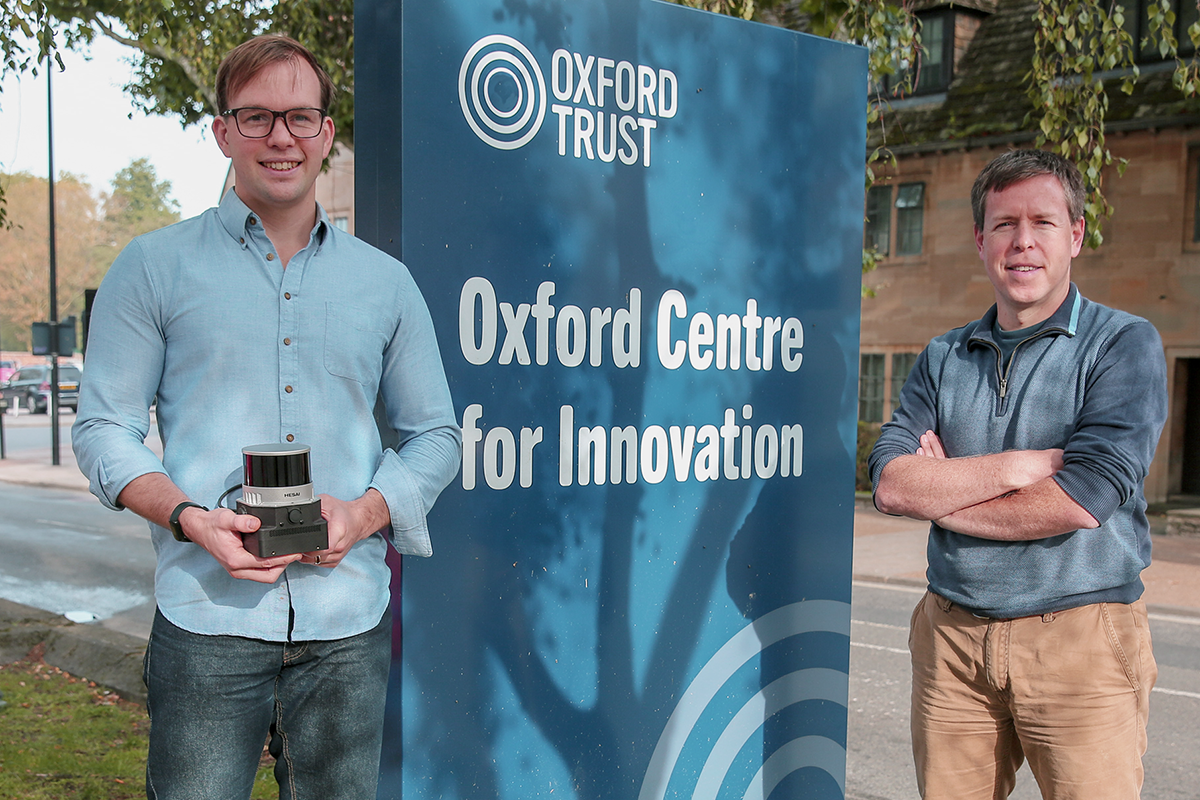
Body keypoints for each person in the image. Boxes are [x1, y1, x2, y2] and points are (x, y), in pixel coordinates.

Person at [72, 35, 461, 799]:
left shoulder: (387, 286)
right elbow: (101, 429)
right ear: (222, 132)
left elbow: (437, 437)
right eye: (256, 117)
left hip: (346, 626)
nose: (280, 137)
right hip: (205, 624)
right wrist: (189, 517)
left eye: (299, 117)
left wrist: (364, 513)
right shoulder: (152, 267)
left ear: (326, 134)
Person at [869, 149, 1167, 800]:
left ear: (1077, 235)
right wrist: (1015, 466)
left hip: (1081, 640)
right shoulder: (942, 356)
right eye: (1004, 224)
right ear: (980, 241)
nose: (1023, 242)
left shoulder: (1124, 344)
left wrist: (942, 494)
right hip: (952, 643)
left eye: (1043, 222)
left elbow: (1081, 499)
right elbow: (891, 482)